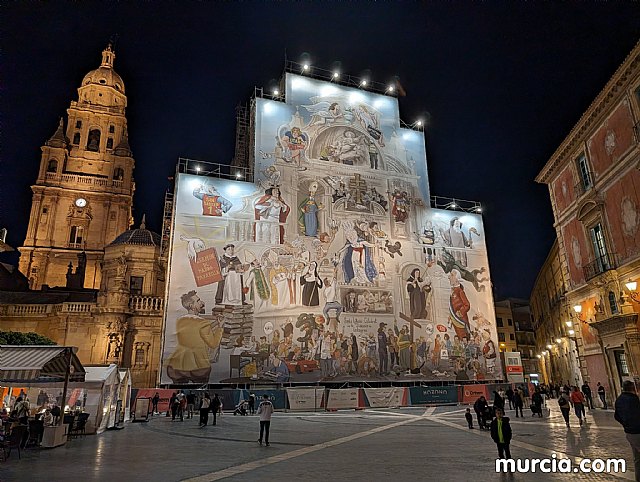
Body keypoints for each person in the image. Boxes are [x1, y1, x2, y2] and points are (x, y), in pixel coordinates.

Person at [614, 381, 640, 481]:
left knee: (637, 458)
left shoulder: (619, 400)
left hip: (629, 433)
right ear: (632, 388)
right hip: (638, 431)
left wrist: (625, 424)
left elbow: (616, 416)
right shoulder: (634, 399)